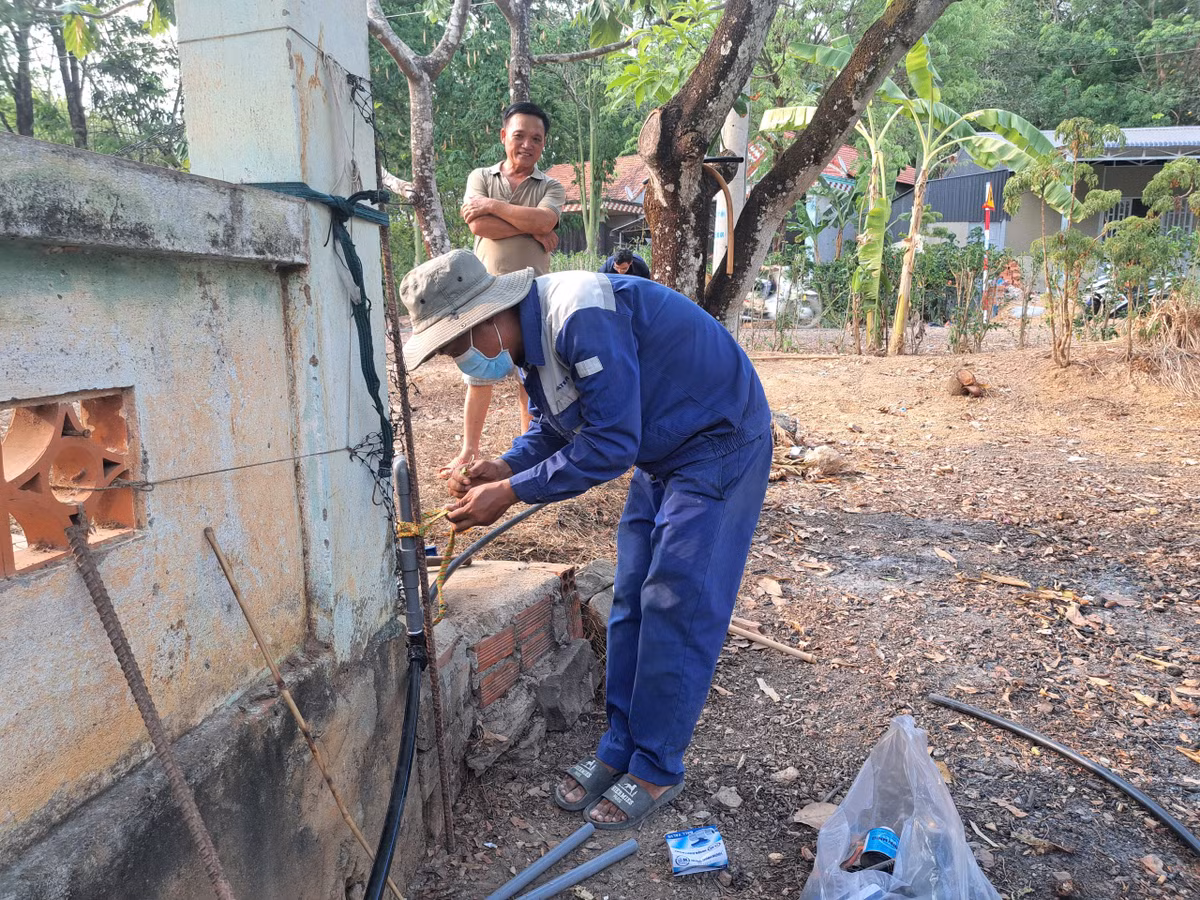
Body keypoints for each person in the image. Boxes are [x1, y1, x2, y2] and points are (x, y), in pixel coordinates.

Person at [399, 249, 772, 831]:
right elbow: (556, 428)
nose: (460, 360)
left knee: (678, 601)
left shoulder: (578, 317)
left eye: (457, 345)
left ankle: (656, 764)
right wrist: (502, 467)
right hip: (661, 451)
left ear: (490, 316)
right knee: (630, 600)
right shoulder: (527, 341)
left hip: (717, 440)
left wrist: (514, 493)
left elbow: (611, 444)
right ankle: (622, 745)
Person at [443, 101, 566, 477]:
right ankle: (469, 450)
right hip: (487, 294)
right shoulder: (479, 176)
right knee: (479, 377)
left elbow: (546, 217)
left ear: (543, 145)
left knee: (530, 375)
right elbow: (480, 228)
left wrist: (494, 207)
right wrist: (536, 229)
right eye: (519, 135)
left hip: (533, 293)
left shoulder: (551, 185)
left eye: (537, 139)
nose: (527, 144)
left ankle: (529, 448)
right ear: (503, 137)